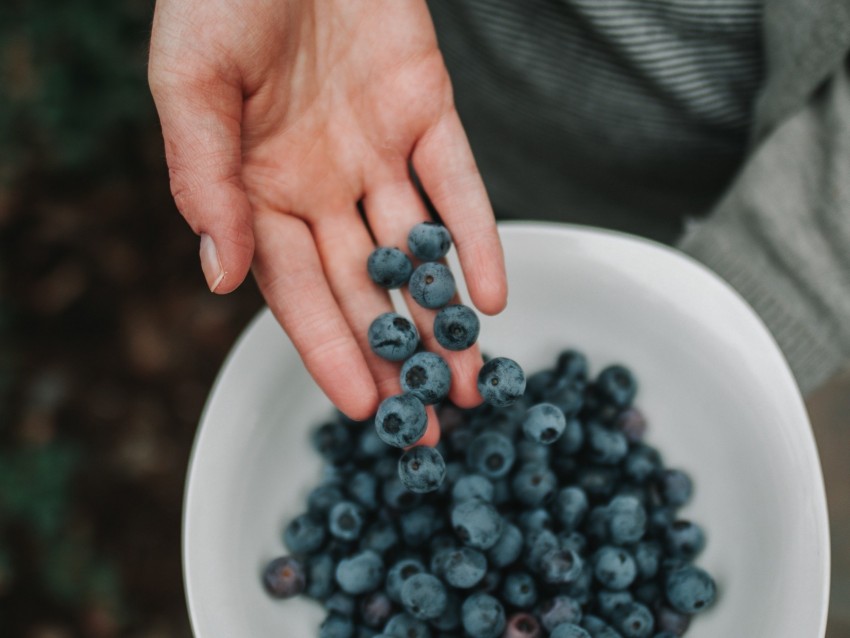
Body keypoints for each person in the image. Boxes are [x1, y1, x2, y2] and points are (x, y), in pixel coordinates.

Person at [147, 0, 850, 430]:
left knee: (465, 322)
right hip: (391, 106)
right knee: (409, 310)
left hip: (700, 180)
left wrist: (776, 280)